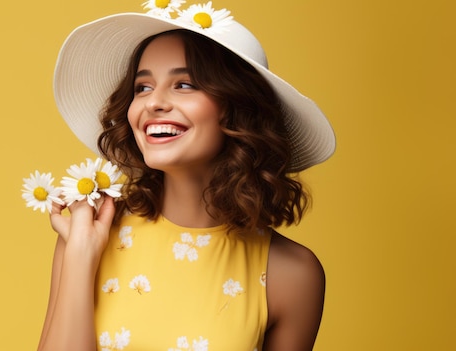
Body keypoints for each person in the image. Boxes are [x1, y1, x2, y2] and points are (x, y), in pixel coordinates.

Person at [38, 1, 335, 350]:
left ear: (238, 109)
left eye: (185, 85)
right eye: (143, 88)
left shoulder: (292, 274)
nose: (154, 103)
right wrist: (80, 257)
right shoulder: (86, 235)